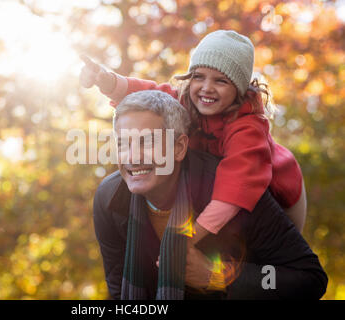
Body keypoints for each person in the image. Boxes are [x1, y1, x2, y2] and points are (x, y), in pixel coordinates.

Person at [93, 90, 327, 299]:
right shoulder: (109, 199)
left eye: (147, 143)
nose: (133, 157)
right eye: (123, 144)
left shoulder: (233, 194)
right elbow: (117, 285)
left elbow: (309, 279)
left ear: (179, 148)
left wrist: (216, 276)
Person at [82, 30, 306, 248]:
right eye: (199, 77)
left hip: (281, 190)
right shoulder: (186, 101)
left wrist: (189, 237)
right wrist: (108, 81)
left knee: (274, 248)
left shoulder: (247, 127)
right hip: (221, 185)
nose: (207, 88)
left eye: (221, 81)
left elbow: (235, 190)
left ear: (238, 89)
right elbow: (148, 93)